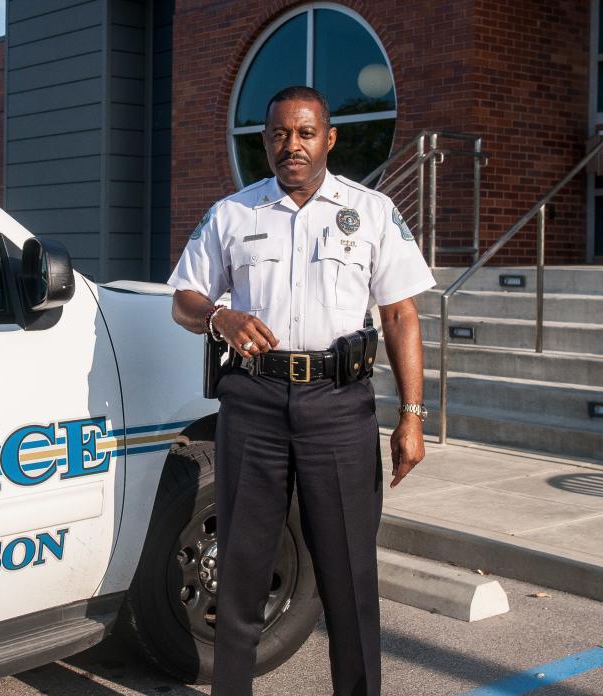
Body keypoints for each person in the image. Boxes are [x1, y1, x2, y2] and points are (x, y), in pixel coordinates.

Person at [167, 85, 433, 696]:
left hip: (339, 408)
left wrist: (412, 417)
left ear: (329, 138)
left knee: (349, 579)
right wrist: (219, 319)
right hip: (254, 404)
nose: (292, 146)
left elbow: (400, 316)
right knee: (241, 573)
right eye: (280, 135)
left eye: (305, 133)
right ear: (266, 142)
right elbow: (182, 299)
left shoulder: (370, 212)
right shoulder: (233, 215)